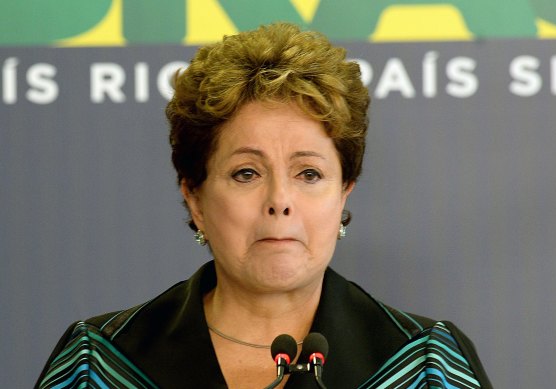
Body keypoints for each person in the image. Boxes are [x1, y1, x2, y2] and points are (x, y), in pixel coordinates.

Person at [36, 22, 492, 388]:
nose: (280, 202)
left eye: (308, 174)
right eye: (246, 173)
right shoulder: (98, 364)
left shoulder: (426, 365)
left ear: (344, 192)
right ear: (195, 197)